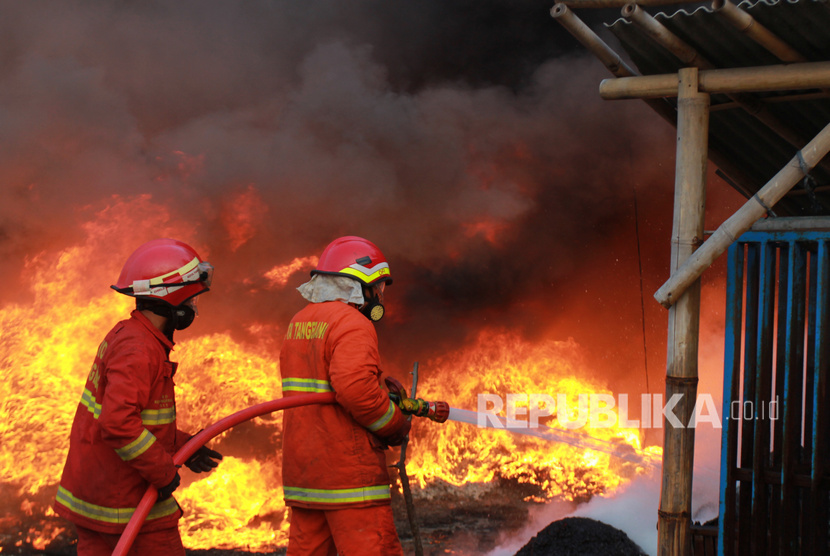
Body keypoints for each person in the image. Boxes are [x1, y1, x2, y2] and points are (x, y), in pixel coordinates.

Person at [54, 238, 224, 556]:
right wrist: (162, 472)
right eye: (192, 300)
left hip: (99, 499)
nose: (193, 309)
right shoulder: (139, 349)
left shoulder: (132, 336)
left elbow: (139, 419)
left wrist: (182, 446)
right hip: (127, 505)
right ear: (174, 298)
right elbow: (119, 423)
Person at [280, 235, 411, 556]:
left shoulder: (300, 321)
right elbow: (355, 390)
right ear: (358, 284)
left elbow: (324, 386)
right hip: (350, 480)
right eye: (377, 287)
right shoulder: (352, 323)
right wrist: (395, 425)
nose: (379, 297)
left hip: (307, 477)